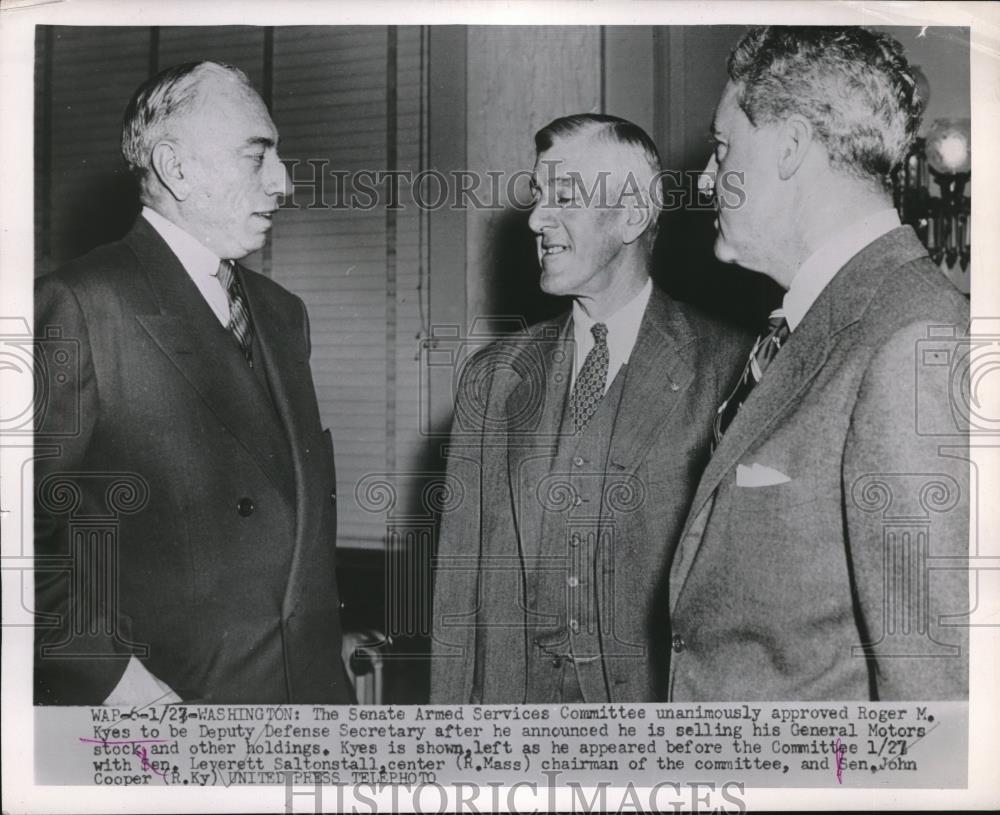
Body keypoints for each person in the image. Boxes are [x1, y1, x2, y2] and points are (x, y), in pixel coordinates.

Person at [34, 61, 353, 705]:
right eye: (256, 154)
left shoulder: (282, 313)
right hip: (170, 713)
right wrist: (115, 684)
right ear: (176, 167)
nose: (284, 183)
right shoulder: (79, 302)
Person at [669, 26, 969, 700]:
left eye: (723, 150)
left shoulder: (910, 341)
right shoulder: (810, 324)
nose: (707, 177)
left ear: (792, 146)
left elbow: (936, 705)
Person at [430, 114, 750, 703]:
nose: (535, 220)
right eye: (537, 198)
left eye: (565, 197)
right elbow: (458, 595)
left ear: (633, 214)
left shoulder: (730, 369)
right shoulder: (494, 378)